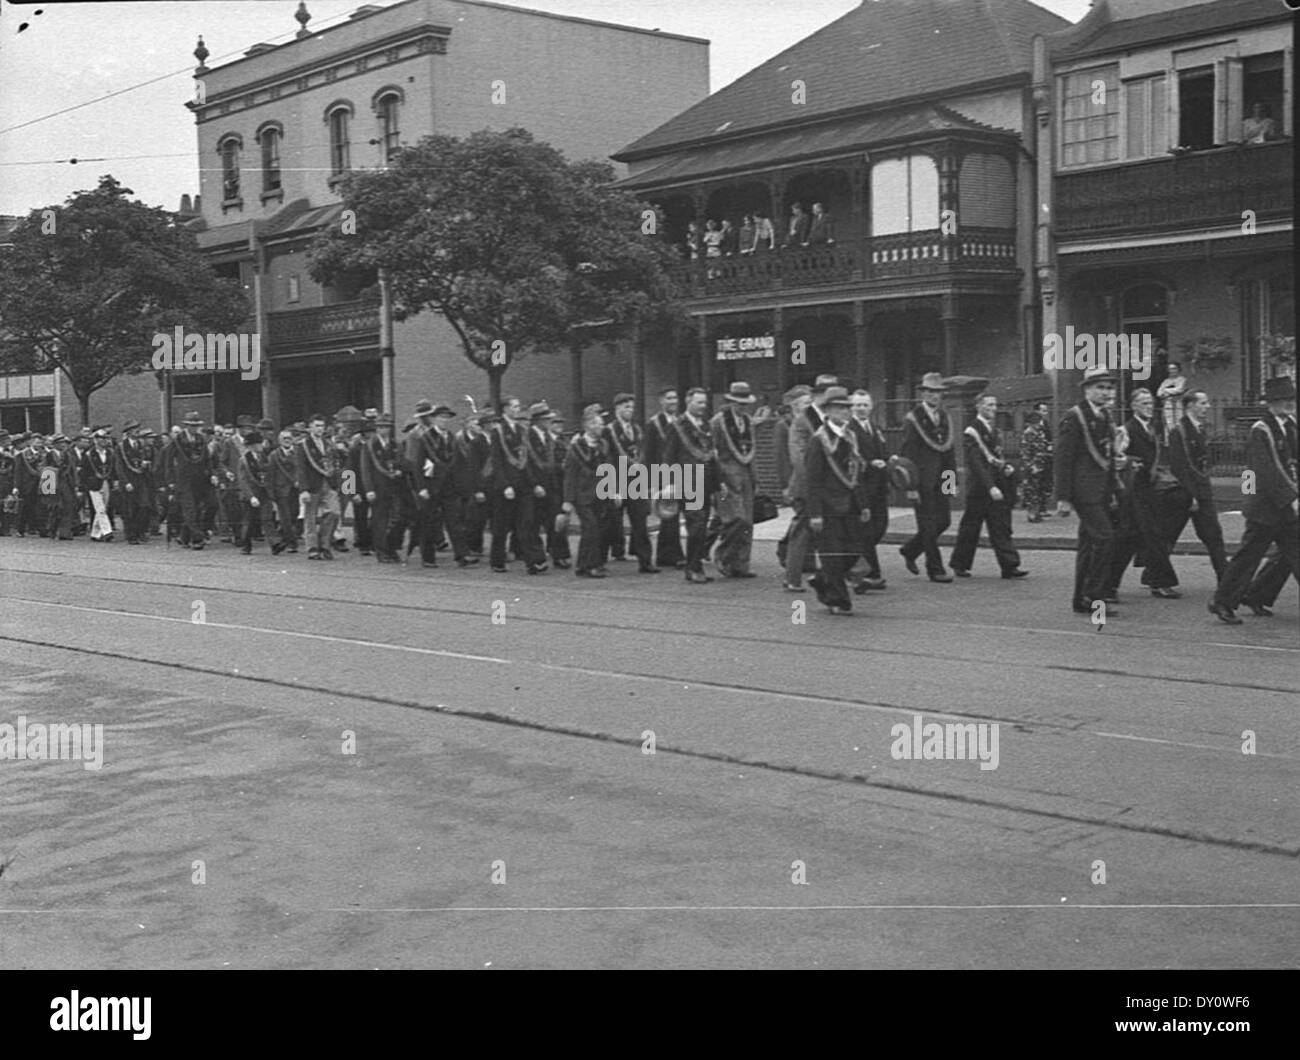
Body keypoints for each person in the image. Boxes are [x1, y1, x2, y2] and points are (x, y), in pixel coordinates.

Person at [1209, 376, 1297, 624]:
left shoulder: (1290, 426)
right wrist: (1292, 497)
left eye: (1291, 399)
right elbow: (1267, 470)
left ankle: (1256, 594)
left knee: (1292, 555)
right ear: (1271, 403)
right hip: (1264, 509)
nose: (1288, 404)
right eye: (1282, 400)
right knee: (1247, 558)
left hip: (1285, 509)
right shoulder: (1261, 430)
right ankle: (1222, 602)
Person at [1055, 367, 1124, 614]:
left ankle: (1080, 599)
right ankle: (1095, 595)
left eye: (1109, 388)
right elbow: (1064, 459)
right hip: (1084, 492)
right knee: (1105, 539)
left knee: (1088, 545)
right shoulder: (1075, 417)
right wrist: (1062, 497)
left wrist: (1114, 487)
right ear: (1086, 390)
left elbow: (1107, 455)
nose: (1106, 393)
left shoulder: (1105, 416)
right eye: (1100, 388)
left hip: (1101, 490)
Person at [1108, 388, 1180, 599]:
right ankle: (1157, 582)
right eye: (1144, 403)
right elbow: (1116, 459)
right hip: (1132, 492)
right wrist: (1130, 462)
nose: (1149, 407)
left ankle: (1115, 585)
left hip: (1147, 490)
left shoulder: (1152, 428)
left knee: (1140, 537)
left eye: (1150, 403)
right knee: (1141, 536)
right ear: (1133, 406)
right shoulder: (1126, 430)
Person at [806, 387, 870, 615]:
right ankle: (838, 600)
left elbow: (856, 473)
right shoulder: (819, 440)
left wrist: (863, 504)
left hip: (850, 503)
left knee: (853, 550)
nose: (845, 412)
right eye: (840, 408)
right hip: (827, 505)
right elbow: (812, 479)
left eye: (847, 407)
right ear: (828, 411)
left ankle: (823, 578)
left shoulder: (850, 436)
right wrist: (814, 513)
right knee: (832, 554)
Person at [950, 394, 1028, 579]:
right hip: (980, 489)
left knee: (1000, 527)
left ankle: (1009, 566)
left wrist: (1006, 468)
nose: (993, 408)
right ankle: (960, 564)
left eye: (994, 405)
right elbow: (976, 463)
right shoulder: (972, 430)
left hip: (997, 486)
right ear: (979, 407)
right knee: (970, 529)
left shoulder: (993, 429)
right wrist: (990, 487)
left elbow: (995, 457)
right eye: (989, 405)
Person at [898, 372, 957, 582]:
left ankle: (911, 550)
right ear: (923, 393)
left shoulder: (944, 416)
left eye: (938, 392)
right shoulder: (913, 418)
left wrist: (951, 483)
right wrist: (910, 486)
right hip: (921, 481)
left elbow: (949, 452)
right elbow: (908, 454)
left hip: (941, 479)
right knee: (928, 526)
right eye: (930, 391)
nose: (934, 396)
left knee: (944, 522)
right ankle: (935, 569)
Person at [1165, 389, 1228, 582]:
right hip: (1188, 493)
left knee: (1213, 534)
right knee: (1168, 535)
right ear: (1190, 406)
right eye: (1203, 403)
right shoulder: (1179, 431)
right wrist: (1191, 494)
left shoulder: (1200, 428)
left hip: (1201, 490)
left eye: (1207, 403)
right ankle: (1154, 575)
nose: (1207, 407)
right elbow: (1180, 466)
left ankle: (1226, 579)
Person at [781, 375, 837, 592]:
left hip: (831, 486)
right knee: (802, 532)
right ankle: (792, 578)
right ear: (817, 396)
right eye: (826, 393)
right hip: (808, 487)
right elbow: (798, 457)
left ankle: (851, 573)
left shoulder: (830, 419)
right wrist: (815, 485)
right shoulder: (803, 420)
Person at [486, 396, 548, 575]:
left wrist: (535, 483)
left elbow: (526, 460)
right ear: (505, 409)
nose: (516, 409)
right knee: (501, 526)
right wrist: (505, 485)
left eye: (518, 406)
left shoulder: (522, 430)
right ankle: (497, 560)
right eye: (513, 406)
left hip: (523, 484)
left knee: (527, 522)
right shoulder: (497, 431)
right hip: (506, 486)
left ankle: (534, 561)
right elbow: (497, 461)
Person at [405, 400, 467, 569]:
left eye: (447, 418)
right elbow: (416, 465)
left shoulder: (452, 437)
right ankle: (428, 557)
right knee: (429, 523)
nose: (444, 421)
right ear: (433, 420)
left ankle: (462, 555)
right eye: (441, 418)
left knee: (454, 521)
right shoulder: (424, 438)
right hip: (431, 485)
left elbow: (458, 462)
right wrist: (421, 487)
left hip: (449, 486)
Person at [666, 387, 719, 584]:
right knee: (696, 525)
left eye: (705, 403)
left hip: (705, 482)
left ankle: (695, 565)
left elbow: (712, 456)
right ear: (688, 402)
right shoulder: (677, 426)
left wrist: (717, 483)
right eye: (699, 402)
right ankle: (693, 568)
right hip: (687, 480)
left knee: (702, 525)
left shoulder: (705, 425)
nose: (703, 406)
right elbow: (669, 457)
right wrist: (669, 483)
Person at [603, 393, 657, 573]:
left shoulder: (637, 429)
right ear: (617, 408)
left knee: (640, 521)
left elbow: (644, 456)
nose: (630, 411)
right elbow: (608, 459)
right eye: (626, 407)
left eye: (632, 407)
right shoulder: (609, 430)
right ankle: (605, 556)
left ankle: (645, 560)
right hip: (617, 480)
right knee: (611, 521)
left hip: (636, 481)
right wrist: (612, 487)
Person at [710, 381, 759, 578]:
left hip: (745, 475)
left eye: (745, 404)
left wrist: (755, 479)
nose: (742, 407)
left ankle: (740, 564)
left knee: (747, 522)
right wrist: (717, 479)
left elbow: (753, 452)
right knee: (734, 519)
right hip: (726, 474)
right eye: (739, 403)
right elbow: (713, 452)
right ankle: (724, 556)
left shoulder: (748, 421)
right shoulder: (718, 422)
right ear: (730, 402)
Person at [562, 404, 613, 578]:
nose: (602, 427)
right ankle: (590, 565)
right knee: (590, 528)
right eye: (599, 424)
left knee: (598, 530)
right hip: (582, 495)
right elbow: (570, 475)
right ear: (589, 426)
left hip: (600, 494)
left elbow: (608, 469)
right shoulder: (576, 447)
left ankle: (586, 565)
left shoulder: (603, 445)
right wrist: (568, 500)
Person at [848, 390, 890, 591]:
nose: (861, 408)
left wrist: (891, 461)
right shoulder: (850, 429)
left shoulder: (875, 427)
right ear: (851, 407)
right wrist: (870, 463)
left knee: (880, 526)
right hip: (862, 485)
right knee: (866, 530)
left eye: (865, 405)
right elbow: (850, 457)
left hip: (880, 486)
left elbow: (884, 450)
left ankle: (855, 563)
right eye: (857, 405)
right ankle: (872, 573)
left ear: (871, 407)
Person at [526, 401, 571, 570]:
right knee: (532, 524)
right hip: (534, 487)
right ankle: (535, 559)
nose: (549, 422)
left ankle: (559, 555)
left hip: (551, 486)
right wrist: (534, 484)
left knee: (555, 522)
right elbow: (526, 463)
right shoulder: (526, 437)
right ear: (537, 420)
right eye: (546, 419)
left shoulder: (547, 437)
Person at [164, 411, 219, 549]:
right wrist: (170, 481)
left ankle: (184, 536)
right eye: (192, 425)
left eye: (197, 425)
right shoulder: (177, 441)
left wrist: (212, 474)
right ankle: (197, 538)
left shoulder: (201, 439)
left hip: (200, 480)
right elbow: (168, 462)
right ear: (186, 426)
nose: (195, 428)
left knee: (210, 505)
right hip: (183, 481)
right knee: (190, 510)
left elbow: (207, 460)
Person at [643, 387, 684, 570]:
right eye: (669, 398)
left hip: (681, 474)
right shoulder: (654, 424)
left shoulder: (681, 421)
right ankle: (669, 554)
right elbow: (649, 455)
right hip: (663, 475)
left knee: (680, 514)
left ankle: (670, 553)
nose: (673, 401)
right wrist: (651, 483)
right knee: (669, 515)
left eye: (675, 398)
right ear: (661, 401)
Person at [360, 413, 407, 564]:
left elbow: (400, 462)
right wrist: (353, 490)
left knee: (397, 518)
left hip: (393, 486)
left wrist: (400, 470)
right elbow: (352, 469)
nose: (383, 430)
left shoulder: (395, 445)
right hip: (373, 487)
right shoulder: (366, 446)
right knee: (378, 520)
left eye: (386, 427)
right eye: (380, 427)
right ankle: (380, 550)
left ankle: (390, 547)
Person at [296, 413, 341, 561]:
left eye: (322, 426)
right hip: (312, 484)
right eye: (316, 426)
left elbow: (336, 463)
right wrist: (303, 490)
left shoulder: (328, 444)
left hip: (328, 483)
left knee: (334, 512)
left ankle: (325, 544)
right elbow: (301, 468)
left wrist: (342, 485)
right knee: (310, 517)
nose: (320, 429)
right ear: (310, 428)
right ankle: (312, 547)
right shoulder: (303, 445)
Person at [115, 420, 153, 545]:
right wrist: (125, 482)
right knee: (129, 508)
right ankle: (131, 534)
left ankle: (140, 531)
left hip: (141, 479)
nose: (137, 431)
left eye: (137, 428)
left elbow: (146, 458)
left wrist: (145, 464)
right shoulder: (121, 447)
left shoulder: (141, 445)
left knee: (144, 506)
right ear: (129, 432)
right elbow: (119, 466)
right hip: (129, 480)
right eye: (134, 429)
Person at [265, 429, 301, 554]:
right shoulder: (274, 455)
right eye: (284, 438)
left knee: (294, 515)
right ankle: (292, 543)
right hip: (281, 490)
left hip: (296, 489)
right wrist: (271, 493)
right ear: (280, 441)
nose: (287, 440)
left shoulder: (298, 452)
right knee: (285, 517)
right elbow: (270, 475)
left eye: (289, 438)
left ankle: (284, 536)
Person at [81, 428, 116, 542]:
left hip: (106, 481)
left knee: (103, 507)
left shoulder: (110, 453)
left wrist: (115, 480)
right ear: (95, 440)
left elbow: (114, 468)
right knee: (100, 508)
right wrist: (86, 484)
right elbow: (84, 471)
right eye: (101, 439)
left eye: (105, 438)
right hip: (94, 484)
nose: (104, 441)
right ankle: (107, 531)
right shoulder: (88, 454)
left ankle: (95, 533)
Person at [1020, 408, 1053, 522]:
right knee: (1031, 491)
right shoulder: (1029, 433)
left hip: (1041, 465)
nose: (1039, 424)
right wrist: (1030, 465)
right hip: (1033, 467)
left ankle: (1037, 512)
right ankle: (1031, 514)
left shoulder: (1039, 433)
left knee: (1039, 490)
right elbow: (1025, 452)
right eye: (1037, 422)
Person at [1156, 362, 1186, 433]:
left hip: (1178, 402)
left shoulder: (1182, 379)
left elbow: (1180, 389)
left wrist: (1166, 390)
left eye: (1174, 368)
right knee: (1169, 422)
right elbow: (1159, 393)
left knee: (1179, 422)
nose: (1172, 370)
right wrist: (1170, 391)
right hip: (1168, 403)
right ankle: (1169, 441)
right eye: (1170, 369)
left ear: (1178, 369)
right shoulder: (1166, 381)